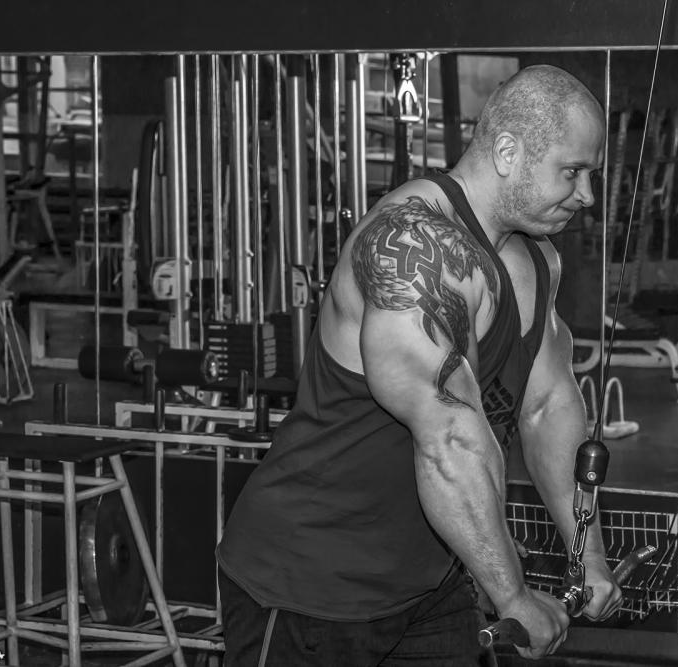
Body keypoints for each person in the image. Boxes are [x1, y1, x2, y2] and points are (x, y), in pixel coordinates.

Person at [217, 64, 622, 665]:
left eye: (592, 175)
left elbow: (545, 406)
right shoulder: (414, 247)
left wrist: (587, 554)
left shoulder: (536, 259)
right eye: (573, 172)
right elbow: (449, 442)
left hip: (428, 583)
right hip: (310, 583)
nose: (587, 195)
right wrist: (512, 596)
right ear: (508, 152)